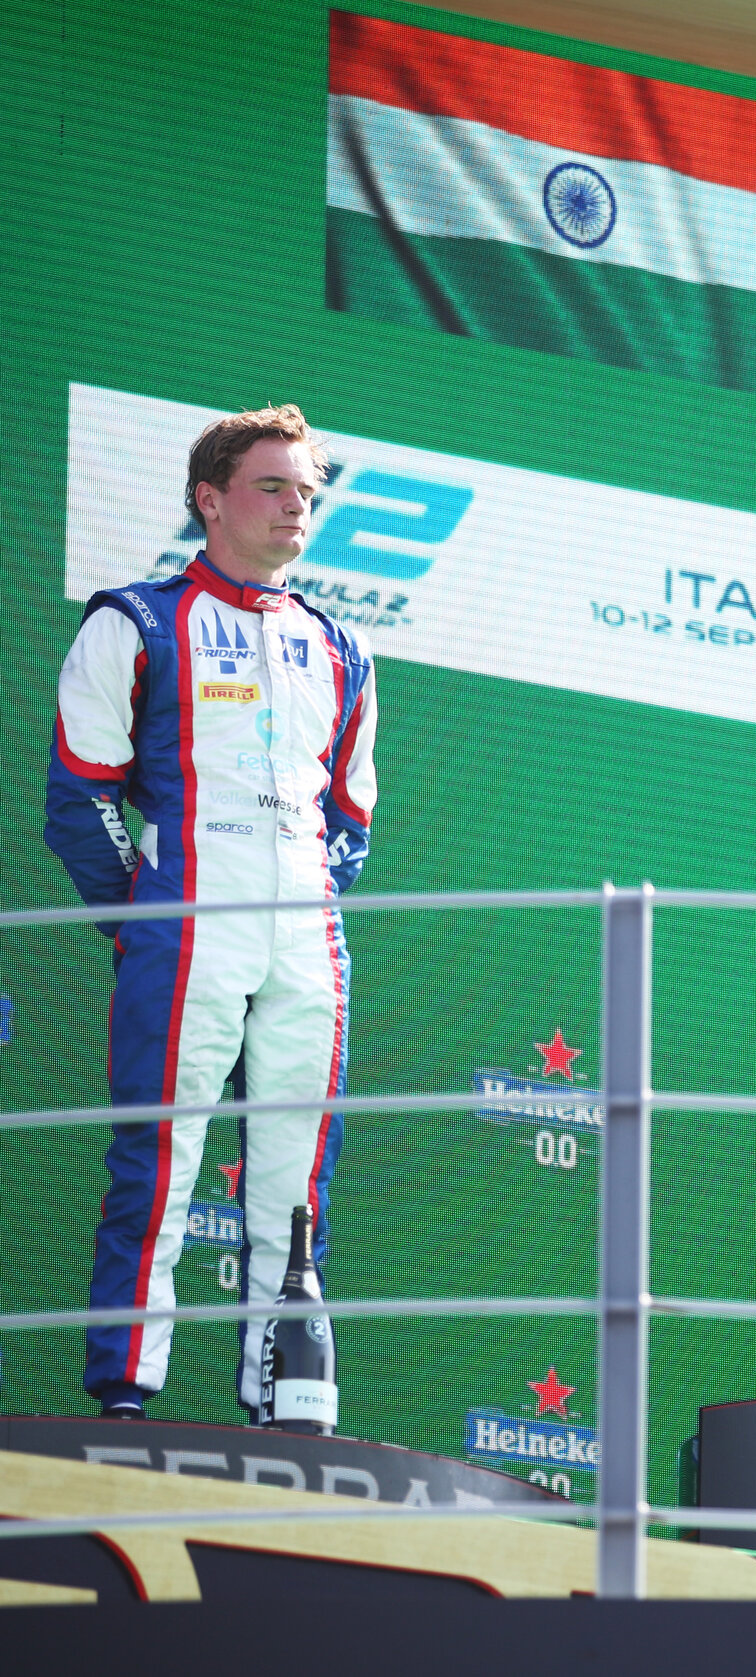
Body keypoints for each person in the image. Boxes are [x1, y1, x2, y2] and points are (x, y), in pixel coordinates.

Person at [46, 405, 378, 1422]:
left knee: (293, 1176)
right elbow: (78, 796)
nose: (295, 509)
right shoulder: (135, 621)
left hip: (307, 935)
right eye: (274, 488)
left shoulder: (342, 648)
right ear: (211, 499)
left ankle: (290, 1407)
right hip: (187, 916)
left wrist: (308, 902)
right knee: (161, 1156)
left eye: (308, 495)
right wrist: (145, 916)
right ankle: (126, 1398)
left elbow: (351, 821)